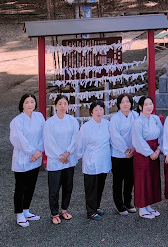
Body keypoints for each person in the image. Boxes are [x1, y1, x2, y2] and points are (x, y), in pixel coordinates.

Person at [44, 95, 79, 224]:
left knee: (68, 186)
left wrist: (68, 153)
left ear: (68, 105)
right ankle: (54, 213)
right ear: (55, 106)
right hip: (55, 160)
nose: (62, 106)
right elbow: (49, 141)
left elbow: (76, 137)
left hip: (69, 158)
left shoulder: (73, 121)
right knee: (54, 188)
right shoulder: (49, 123)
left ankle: (64, 209)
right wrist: (61, 156)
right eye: (60, 104)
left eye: (65, 103)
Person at [11, 93, 45, 227]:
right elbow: (19, 140)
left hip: (35, 157)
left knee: (31, 185)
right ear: (22, 105)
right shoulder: (17, 121)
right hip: (23, 158)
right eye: (27, 102)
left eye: (32, 102)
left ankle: (26, 210)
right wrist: (33, 152)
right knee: (20, 187)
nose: (30, 104)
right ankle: (19, 214)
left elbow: (44, 134)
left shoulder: (39, 116)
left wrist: (39, 151)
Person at [76, 100, 112, 220]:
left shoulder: (107, 124)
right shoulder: (86, 127)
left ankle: (96, 207)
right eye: (96, 110)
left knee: (100, 185)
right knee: (91, 186)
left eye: (101, 109)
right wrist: (78, 157)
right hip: (91, 159)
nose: (99, 112)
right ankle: (90, 211)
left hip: (104, 159)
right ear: (91, 112)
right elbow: (80, 144)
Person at [131, 95, 163, 219]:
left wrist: (158, 149)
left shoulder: (156, 118)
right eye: (146, 105)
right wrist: (150, 153)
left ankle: (149, 204)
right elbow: (138, 140)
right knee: (143, 179)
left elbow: (161, 134)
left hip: (155, 150)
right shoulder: (138, 122)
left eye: (151, 104)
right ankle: (142, 208)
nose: (149, 106)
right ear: (140, 107)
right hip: (143, 153)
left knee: (152, 178)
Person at [109, 93, 136, 216]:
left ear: (131, 103)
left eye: (127, 101)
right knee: (118, 180)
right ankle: (119, 204)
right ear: (119, 104)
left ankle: (128, 202)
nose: (125, 104)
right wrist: (125, 150)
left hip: (133, 152)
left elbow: (138, 133)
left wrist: (133, 149)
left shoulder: (135, 116)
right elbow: (115, 137)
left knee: (130, 179)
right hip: (118, 154)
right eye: (122, 102)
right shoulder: (115, 118)